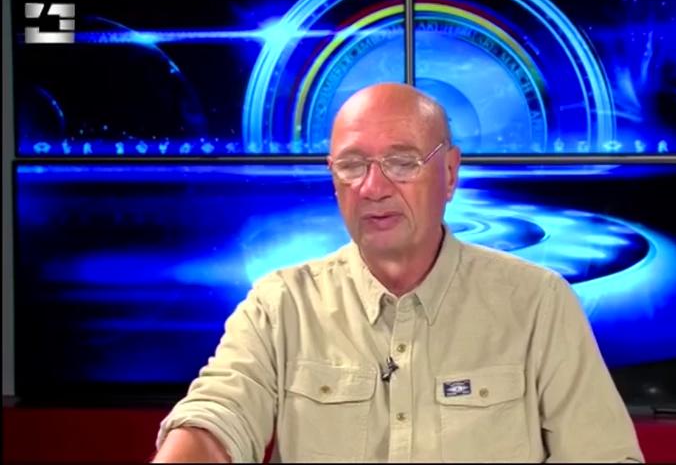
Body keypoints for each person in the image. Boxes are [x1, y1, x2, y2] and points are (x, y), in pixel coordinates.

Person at [153, 83, 644, 463]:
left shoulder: (538, 304)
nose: (373, 187)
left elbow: (602, 455)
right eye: (352, 165)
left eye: (402, 162)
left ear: (449, 174)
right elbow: (218, 416)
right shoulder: (280, 304)